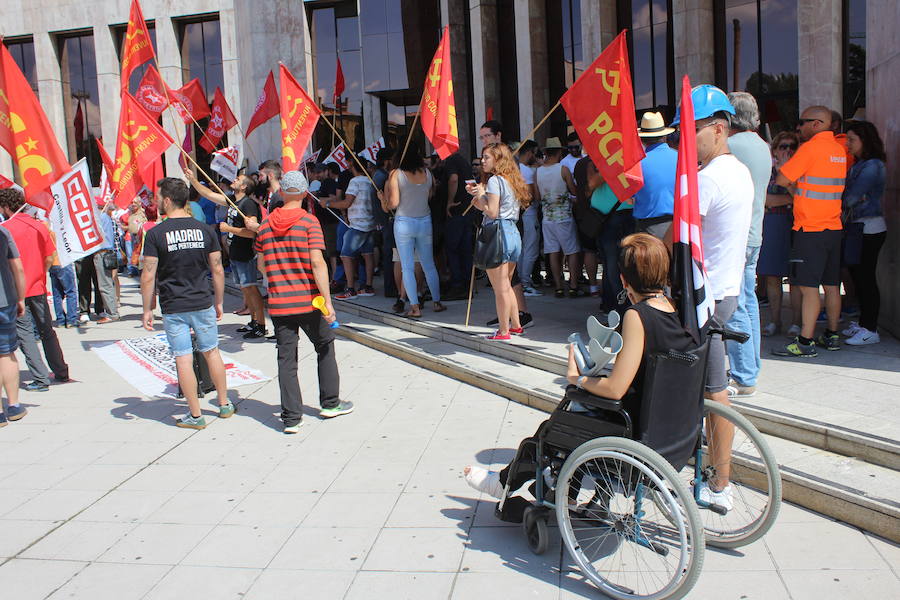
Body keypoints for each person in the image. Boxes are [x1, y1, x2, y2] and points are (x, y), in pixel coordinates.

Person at [463, 234, 698, 500]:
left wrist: (576, 378)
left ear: (623, 278)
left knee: (553, 426)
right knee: (570, 414)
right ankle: (556, 485)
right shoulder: (674, 308)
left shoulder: (637, 316)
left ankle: (506, 482)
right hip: (673, 427)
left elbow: (615, 388)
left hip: (634, 425)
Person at [672, 84, 753, 509]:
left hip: (705, 296)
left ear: (718, 129)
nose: (685, 141)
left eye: (691, 131)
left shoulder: (708, 179)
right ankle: (711, 471)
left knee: (713, 389)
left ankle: (720, 483)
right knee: (706, 387)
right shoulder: (738, 170)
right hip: (724, 290)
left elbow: (680, 241)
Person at [255, 171, 352, 432]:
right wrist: (328, 301)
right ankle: (330, 403)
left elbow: (262, 265)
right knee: (324, 346)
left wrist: (279, 272)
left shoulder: (265, 226)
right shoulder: (309, 222)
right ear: (305, 192)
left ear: (283, 192)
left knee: (286, 359)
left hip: (279, 303)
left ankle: (291, 419)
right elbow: (318, 263)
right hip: (309, 299)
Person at [141, 178, 233, 429]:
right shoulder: (204, 230)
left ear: (168, 201)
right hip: (202, 300)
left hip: (174, 306)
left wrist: (147, 308)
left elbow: (148, 274)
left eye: (159, 197)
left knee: (183, 358)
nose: (157, 201)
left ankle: (195, 415)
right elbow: (218, 268)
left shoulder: (156, 233)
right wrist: (219, 301)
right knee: (212, 351)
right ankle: (224, 404)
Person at [774, 106, 847, 357]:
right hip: (834, 227)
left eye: (802, 122)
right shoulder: (839, 150)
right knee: (832, 286)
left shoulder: (810, 149)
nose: (799, 127)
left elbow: (782, 179)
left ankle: (805, 342)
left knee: (808, 288)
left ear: (817, 124)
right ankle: (832, 335)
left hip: (810, 228)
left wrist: (796, 193)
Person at [723, 92, 771, 398]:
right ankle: (750, 366)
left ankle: (743, 375)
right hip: (755, 232)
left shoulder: (733, 146)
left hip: (739, 235)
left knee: (737, 304)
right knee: (748, 301)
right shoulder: (761, 145)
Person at [0, 188, 70, 392]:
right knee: (47, 330)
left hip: (16, 289)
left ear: (5, 207)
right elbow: (50, 256)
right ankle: (61, 370)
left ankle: (40, 377)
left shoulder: (6, 229)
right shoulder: (39, 226)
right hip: (38, 285)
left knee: (25, 334)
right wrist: (40, 272)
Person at [185, 169, 267, 340]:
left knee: (251, 288)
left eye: (238, 179)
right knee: (245, 289)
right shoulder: (232, 201)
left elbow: (252, 232)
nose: (234, 180)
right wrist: (193, 179)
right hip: (235, 252)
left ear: (244, 186)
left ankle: (261, 325)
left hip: (245, 253)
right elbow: (208, 194)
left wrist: (229, 229)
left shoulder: (248, 204)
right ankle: (253, 321)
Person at [466, 143, 530, 340]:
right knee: (507, 284)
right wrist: (478, 198)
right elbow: (489, 208)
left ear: (498, 159)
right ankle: (516, 325)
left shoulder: (494, 181)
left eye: (486, 157)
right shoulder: (511, 180)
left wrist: (482, 194)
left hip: (498, 233)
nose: (482, 161)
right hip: (512, 232)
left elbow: (492, 212)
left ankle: (503, 331)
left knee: (500, 288)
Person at [380, 142, 445, 318]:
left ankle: (415, 307)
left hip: (404, 221)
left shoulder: (396, 174)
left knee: (407, 267)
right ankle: (437, 302)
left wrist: (382, 199)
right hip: (424, 220)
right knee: (428, 264)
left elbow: (392, 204)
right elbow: (430, 195)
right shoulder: (427, 173)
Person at [841, 120, 887, 346]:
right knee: (859, 278)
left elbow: (850, 197)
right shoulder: (861, 164)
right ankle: (864, 324)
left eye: (852, 140)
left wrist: (847, 196)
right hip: (860, 226)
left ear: (865, 140)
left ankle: (870, 328)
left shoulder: (872, 165)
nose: (847, 144)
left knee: (866, 279)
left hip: (869, 227)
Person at [759, 132, 802, 338]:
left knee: (796, 278)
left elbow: (799, 197)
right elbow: (765, 199)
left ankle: (796, 322)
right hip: (773, 225)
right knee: (773, 277)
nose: (788, 150)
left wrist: (787, 193)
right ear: (775, 150)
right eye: (783, 146)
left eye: (792, 146)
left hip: (797, 226)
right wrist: (788, 199)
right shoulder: (767, 171)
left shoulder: (801, 169)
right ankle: (775, 321)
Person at [577, 158, 634, 312]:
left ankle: (619, 307)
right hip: (607, 218)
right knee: (610, 264)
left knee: (613, 265)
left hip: (617, 216)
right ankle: (611, 303)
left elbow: (591, 184)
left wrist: (606, 168)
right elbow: (589, 187)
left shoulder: (617, 160)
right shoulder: (598, 161)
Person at [534, 137, 581, 297]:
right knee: (571, 251)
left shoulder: (537, 172)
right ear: (560, 152)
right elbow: (574, 191)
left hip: (547, 217)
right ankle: (574, 285)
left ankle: (558, 286)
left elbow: (538, 196)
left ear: (546, 152)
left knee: (552, 251)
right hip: (564, 216)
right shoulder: (563, 169)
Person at [332, 160, 377, 298]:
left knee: (346, 255)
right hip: (370, 223)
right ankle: (368, 287)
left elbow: (347, 202)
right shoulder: (370, 181)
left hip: (358, 224)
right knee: (368, 254)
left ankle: (350, 289)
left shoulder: (355, 182)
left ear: (353, 167)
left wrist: (328, 203)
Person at [633, 111, 677, 239]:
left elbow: (629, 199)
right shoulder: (681, 158)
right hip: (679, 225)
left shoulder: (637, 164)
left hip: (647, 229)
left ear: (642, 139)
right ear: (664, 136)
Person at [0, 224, 27, 426]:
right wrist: (21, 297)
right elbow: (17, 266)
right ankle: (14, 404)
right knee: (6, 353)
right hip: (4, 298)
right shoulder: (3, 232)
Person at [442, 150, 475, 300]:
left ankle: (458, 285)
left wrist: (449, 200)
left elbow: (453, 179)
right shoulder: (463, 161)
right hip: (466, 211)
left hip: (457, 211)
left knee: (453, 249)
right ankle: (467, 285)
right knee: (465, 250)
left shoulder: (452, 161)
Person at [516, 140, 542, 297]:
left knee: (522, 250)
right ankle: (525, 283)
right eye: (534, 152)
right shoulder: (527, 172)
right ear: (529, 153)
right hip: (529, 213)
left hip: (519, 214)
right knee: (530, 249)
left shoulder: (516, 169)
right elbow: (533, 195)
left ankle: (521, 281)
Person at [372, 149, 398, 298]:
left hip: (385, 220)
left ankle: (392, 287)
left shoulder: (379, 175)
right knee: (391, 256)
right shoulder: (383, 177)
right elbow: (386, 203)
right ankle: (391, 287)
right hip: (388, 220)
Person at [93, 200, 121, 324]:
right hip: (107, 252)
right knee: (107, 283)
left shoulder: (100, 217)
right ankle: (112, 311)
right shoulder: (106, 217)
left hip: (102, 252)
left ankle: (112, 313)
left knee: (105, 285)